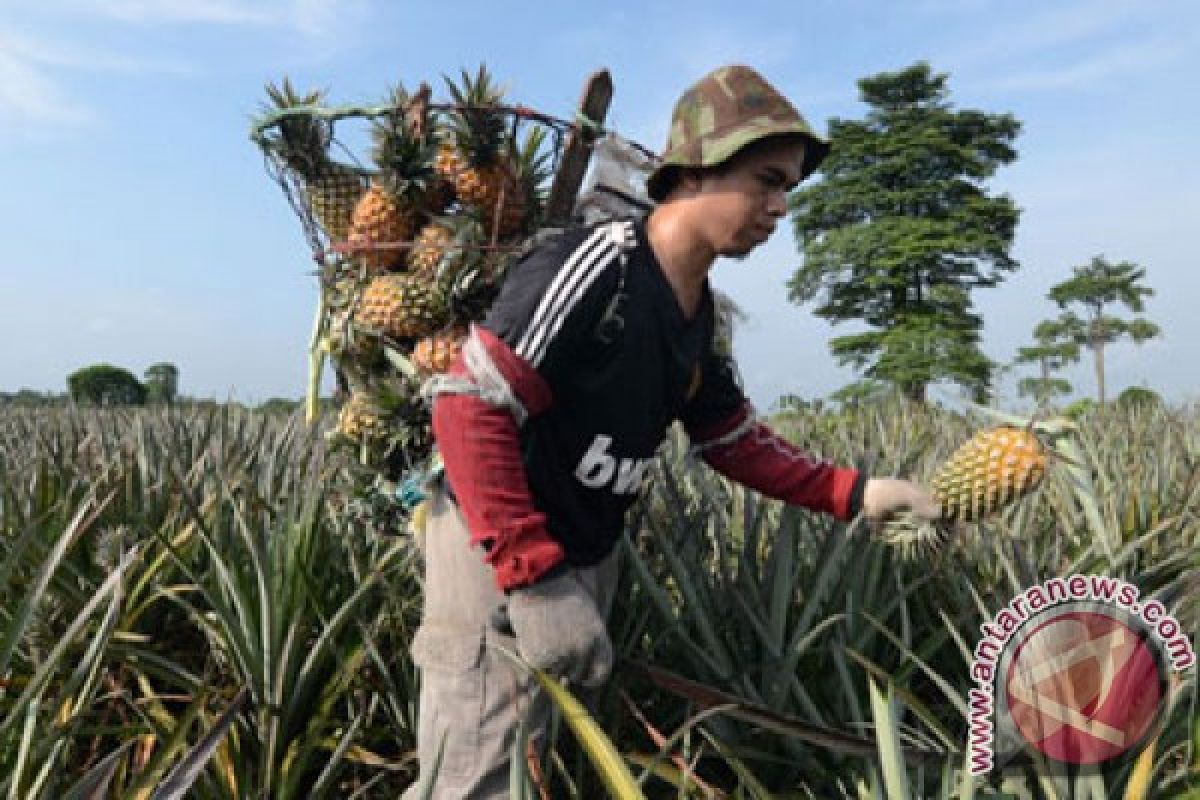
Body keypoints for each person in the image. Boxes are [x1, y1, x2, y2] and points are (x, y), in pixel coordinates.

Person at [405, 64, 941, 799]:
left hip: (581, 554)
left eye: (788, 187)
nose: (780, 205)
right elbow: (469, 405)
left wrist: (859, 493)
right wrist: (534, 579)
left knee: (542, 767)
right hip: (498, 551)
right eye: (766, 180)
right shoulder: (599, 264)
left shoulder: (696, 312)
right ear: (693, 172)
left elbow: (732, 441)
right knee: (477, 778)